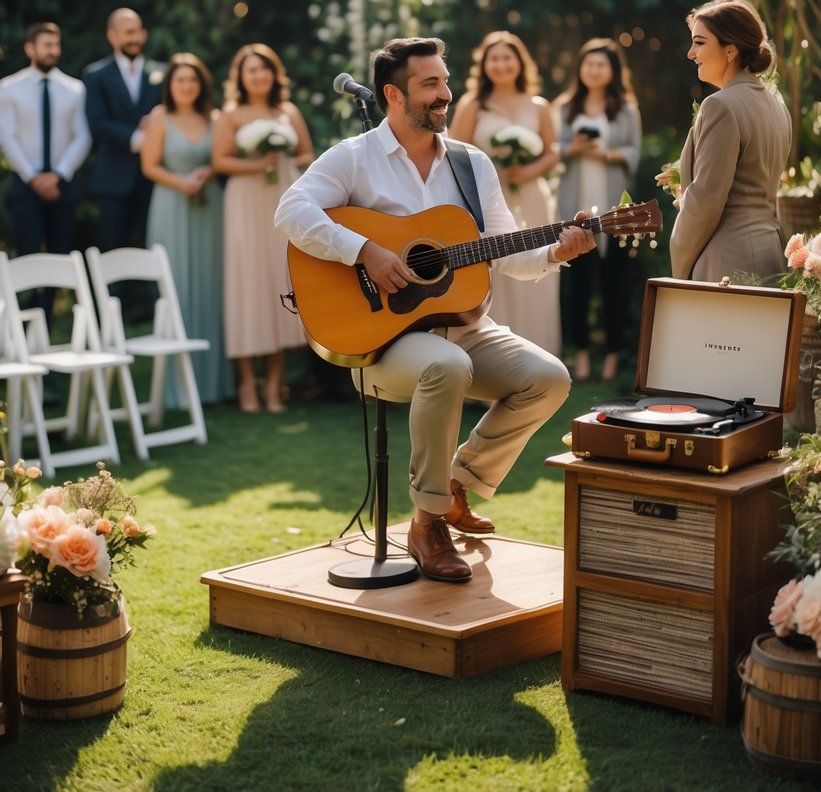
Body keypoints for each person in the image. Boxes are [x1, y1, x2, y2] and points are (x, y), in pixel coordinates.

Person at [274, 37, 595, 583]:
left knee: (549, 379)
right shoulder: (353, 157)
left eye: (446, 82)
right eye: (431, 85)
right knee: (446, 366)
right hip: (382, 341)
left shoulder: (471, 164)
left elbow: (506, 247)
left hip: (465, 329)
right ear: (392, 95)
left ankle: (456, 485)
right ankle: (426, 525)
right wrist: (365, 250)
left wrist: (555, 252)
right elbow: (291, 210)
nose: (445, 94)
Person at [212, 43, 315, 413]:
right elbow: (220, 161)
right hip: (245, 202)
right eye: (251, 69)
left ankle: (275, 385)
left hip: (283, 197)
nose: (258, 76)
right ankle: (246, 385)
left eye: (265, 69)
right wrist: (258, 163)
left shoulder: (287, 111)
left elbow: (310, 156)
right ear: (240, 76)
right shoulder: (231, 114)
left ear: (274, 74)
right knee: (247, 285)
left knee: (280, 283)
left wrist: (284, 157)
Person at [448, 31, 560, 354]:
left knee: (538, 266)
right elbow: (455, 151)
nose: (501, 64)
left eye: (507, 57)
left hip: (533, 196)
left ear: (519, 62)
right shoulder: (473, 106)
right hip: (488, 199)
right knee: (497, 272)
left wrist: (528, 171)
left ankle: (540, 356)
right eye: (493, 58)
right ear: (484, 65)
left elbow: (552, 151)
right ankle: (491, 363)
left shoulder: (538, 106)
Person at [668, 0, 791, 283]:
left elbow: (705, 202)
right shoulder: (776, 103)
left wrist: (679, 270)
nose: (690, 53)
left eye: (699, 42)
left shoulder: (720, 105)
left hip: (726, 264)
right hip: (770, 257)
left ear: (730, 50)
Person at [140, 53, 231, 406]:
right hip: (171, 206)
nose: (187, 86)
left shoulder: (215, 117)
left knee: (212, 286)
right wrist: (181, 182)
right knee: (175, 287)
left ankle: (214, 385)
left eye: (193, 80)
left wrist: (207, 174)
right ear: (170, 85)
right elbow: (149, 165)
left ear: (201, 84)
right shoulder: (160, 118)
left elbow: (222, 156)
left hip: (210, 207)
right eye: (180, 80)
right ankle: (176, 390)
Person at [551, 38, 641, 383]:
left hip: (614, 211)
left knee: (614, 285)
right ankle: (582, 356)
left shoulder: (627, 109)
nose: (594, 70)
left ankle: (613, 357)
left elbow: (634, 154)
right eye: (589, 63)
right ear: (580, 68)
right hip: (574, 208)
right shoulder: (564, 107)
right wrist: (572, 148)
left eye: (601, 64)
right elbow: (553, 151)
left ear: (613, 71)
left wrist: (608, 154)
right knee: (577, 286)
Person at [0, 21, 91, 322]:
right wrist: (34, 177)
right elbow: (7, 137)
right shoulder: (9, 88)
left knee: (59, 262)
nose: (53, 51)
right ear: (30, 48)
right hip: (25, 186)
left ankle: (45, 333)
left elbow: (82, 136)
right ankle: (20, 335)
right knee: (27, 261)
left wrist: (58, 175)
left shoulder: (74, 89)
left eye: (56, 45)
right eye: (46, 45)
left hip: (62, 185)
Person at [83, 8, 163, 251]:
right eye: (128, 33)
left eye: (138, 32)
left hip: (157, 179)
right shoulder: (95, 75)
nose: (135, 38)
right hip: (113, 179)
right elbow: (96, 124)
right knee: (112, 249)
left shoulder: (164, 72)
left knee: (155, 248)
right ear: (112, 36)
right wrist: (139, 138)